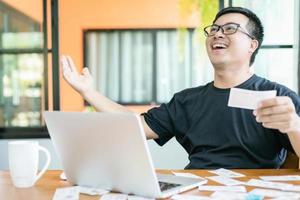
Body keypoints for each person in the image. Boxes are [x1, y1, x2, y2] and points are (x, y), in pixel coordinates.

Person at [61, 7, 300, 169]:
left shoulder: (279, 97)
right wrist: (89, 93)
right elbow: (135, 127)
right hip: (197, 190)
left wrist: (294, 125)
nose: (217, 34)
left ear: (252, 45)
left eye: (230, 29)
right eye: (214, 29)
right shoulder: (188, 100)